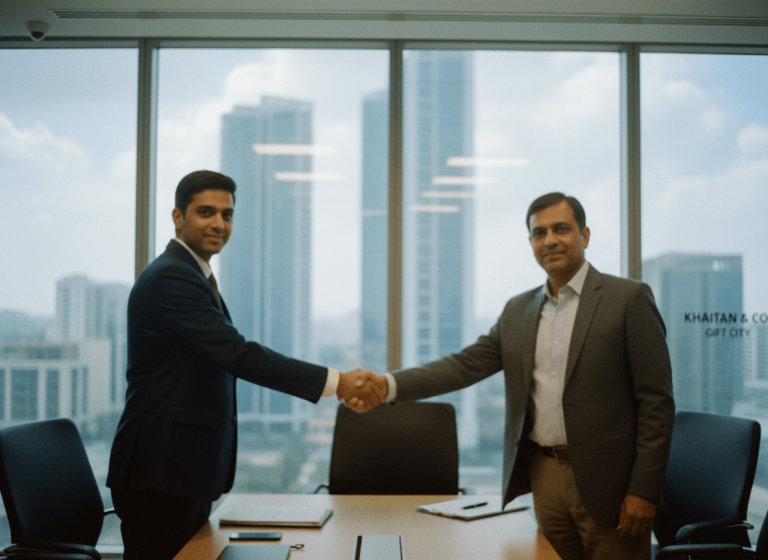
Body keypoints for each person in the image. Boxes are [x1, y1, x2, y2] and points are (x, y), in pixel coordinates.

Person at [353, 192, 674, 560]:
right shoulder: (518, 310)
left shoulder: (628, 298)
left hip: (613, 485)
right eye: (539, 233)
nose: (549, 240)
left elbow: (657, 403)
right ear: (531, 244)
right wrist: (388, 384)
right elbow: (465, 364)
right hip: (544, 479)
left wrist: (644, 491)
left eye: (561, 229)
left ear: (584, 236)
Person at [107, 170, 385, 560]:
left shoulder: (192, 274)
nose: (219, 224)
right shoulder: (172, 276)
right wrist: (336, 381)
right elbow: (238, 354)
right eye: (206, 212)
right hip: (161, 471)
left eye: (228, 214)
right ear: (177, 217)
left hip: (180, 468)